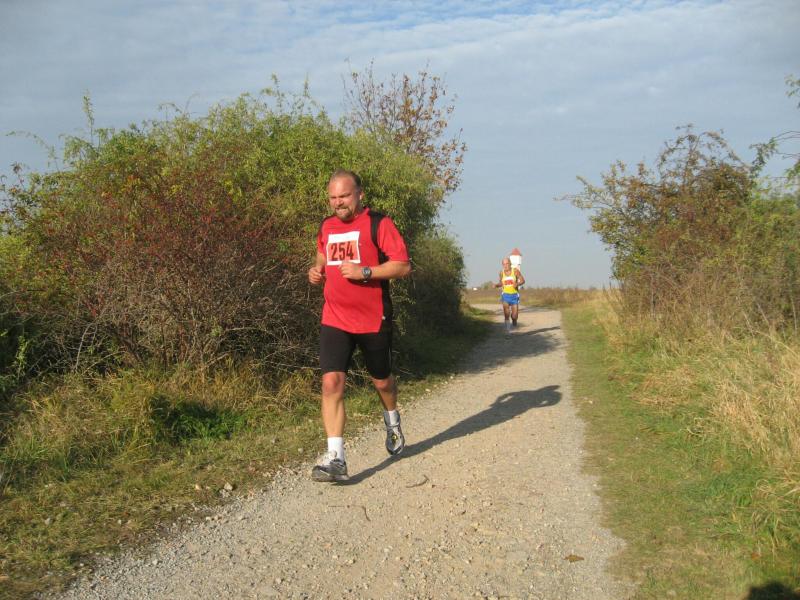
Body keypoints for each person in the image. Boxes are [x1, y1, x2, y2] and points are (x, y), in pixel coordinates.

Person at [307, 169, 411, 482]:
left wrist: (365, 271)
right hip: (334, 317)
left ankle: (392, 420)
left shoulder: (379, 223)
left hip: (372, 317)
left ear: (360, 195)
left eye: (344, 196)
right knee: (331, 382)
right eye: (333, 197)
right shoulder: (326, 225)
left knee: (382, 382)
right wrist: (316, 270)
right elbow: (322, 255)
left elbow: (402, 265)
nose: (338, 202)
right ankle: (335, 458)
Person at [494, 257, 525, 332]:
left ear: (510, 264)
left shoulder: (515, 271)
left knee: (514, 316)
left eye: (507, 264)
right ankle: (508, 331)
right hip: (505, 295)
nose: (505, 266)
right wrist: (497, 285)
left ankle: (514, 320)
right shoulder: (501, 273)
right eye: (504, 264)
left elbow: (523, 280)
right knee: (506, 313)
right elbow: (501, 283)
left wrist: (517, 284)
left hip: (514, 295)